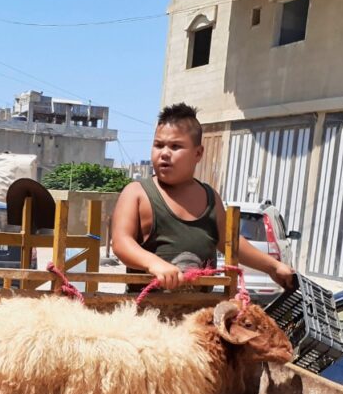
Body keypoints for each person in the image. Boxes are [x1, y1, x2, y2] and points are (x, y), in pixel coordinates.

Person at [112, 103, 295, 292]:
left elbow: (230, 243)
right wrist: (154, 263)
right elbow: (121, 242)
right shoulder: (137, 193)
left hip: (199, 316)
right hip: (148, 317)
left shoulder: (210, 198)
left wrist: (273, 267)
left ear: (198, 153)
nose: (164, 153)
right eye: (158, 145)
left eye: (176, 146)